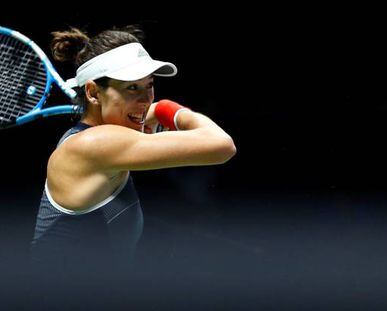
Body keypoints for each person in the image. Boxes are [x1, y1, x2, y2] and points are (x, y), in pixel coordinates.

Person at [29, 25, 236, 283]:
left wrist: (146, 112)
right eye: (131, 88)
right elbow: (221, 145)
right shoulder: (96, 144)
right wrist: (171, 110)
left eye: (149, 86)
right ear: (93, 93)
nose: (145, 99)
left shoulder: (101, 135)